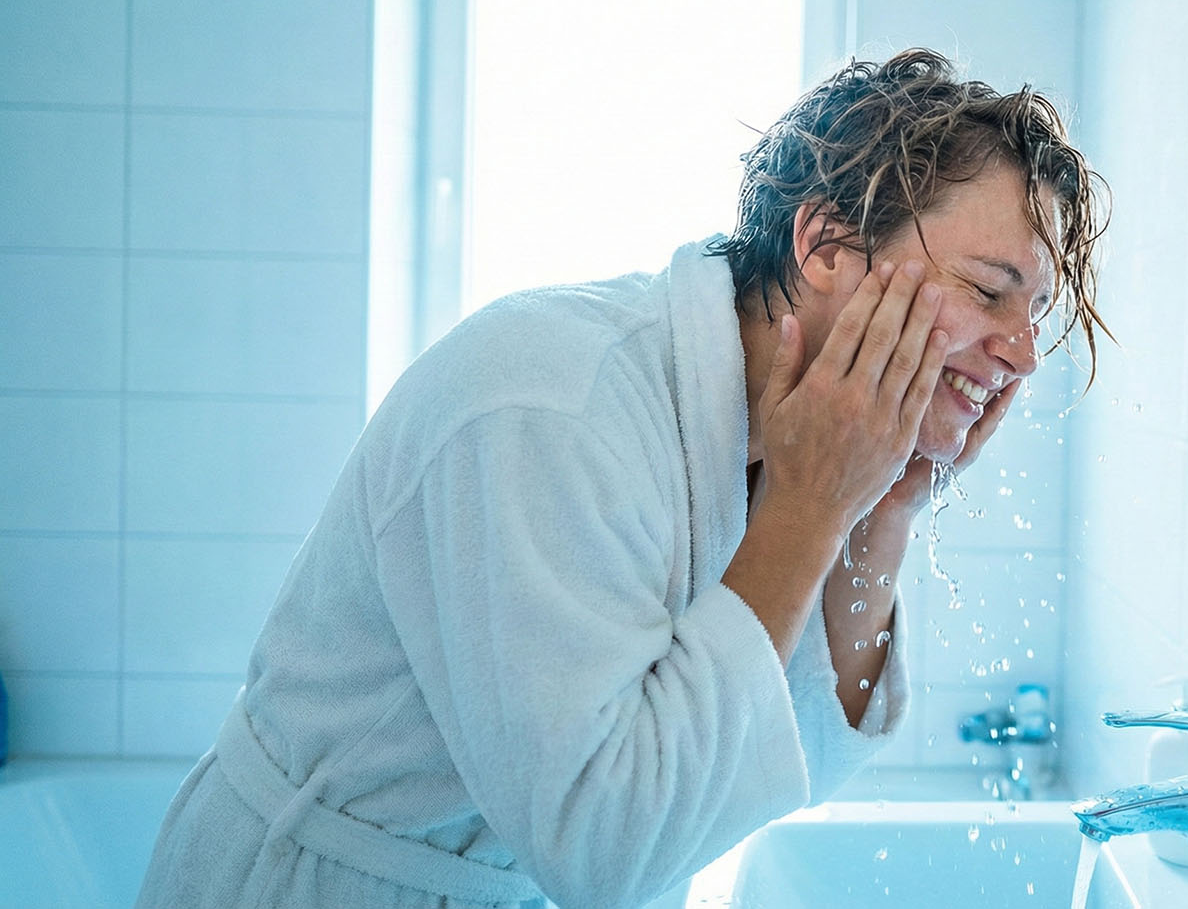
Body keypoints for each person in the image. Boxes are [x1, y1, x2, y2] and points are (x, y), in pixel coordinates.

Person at [135, 47, 1109, 909]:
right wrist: (813, 506)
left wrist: (883, 506)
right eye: (989, 292)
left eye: (1038, 318)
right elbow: (604, 848)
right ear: (825, 246)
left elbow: (794, 756)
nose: (1022, 354)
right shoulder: (547, 404)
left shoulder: (765, 438)